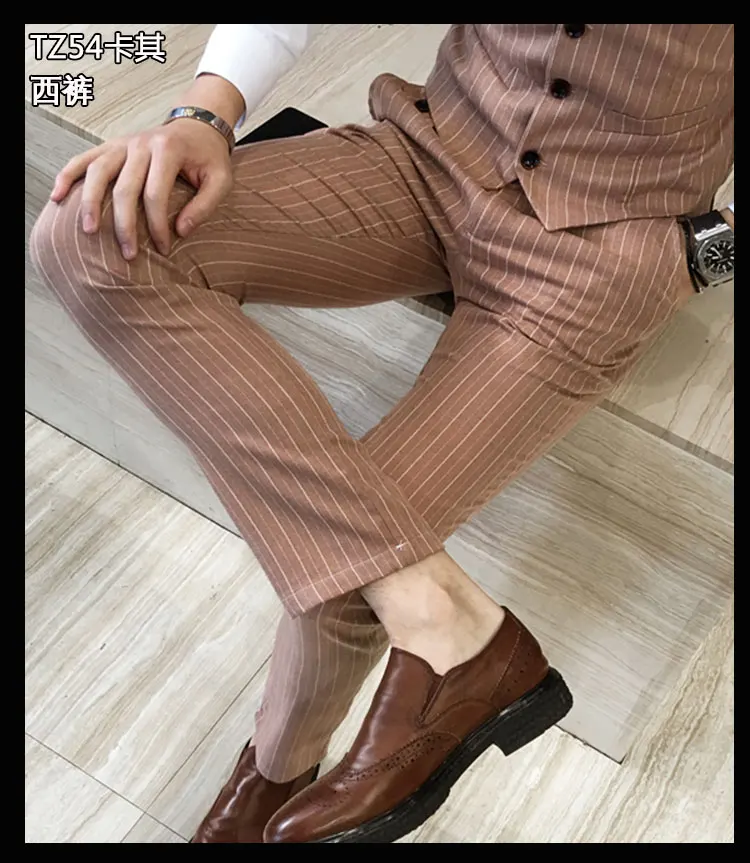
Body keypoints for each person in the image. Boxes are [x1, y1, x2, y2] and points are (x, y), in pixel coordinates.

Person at [30, 24, 734, 844]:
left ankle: (274, 778)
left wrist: (708, 249)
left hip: (604, 246)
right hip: (427, 158)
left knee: (346, 574)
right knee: (90, 235)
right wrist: (206, 111)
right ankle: (447, 621)